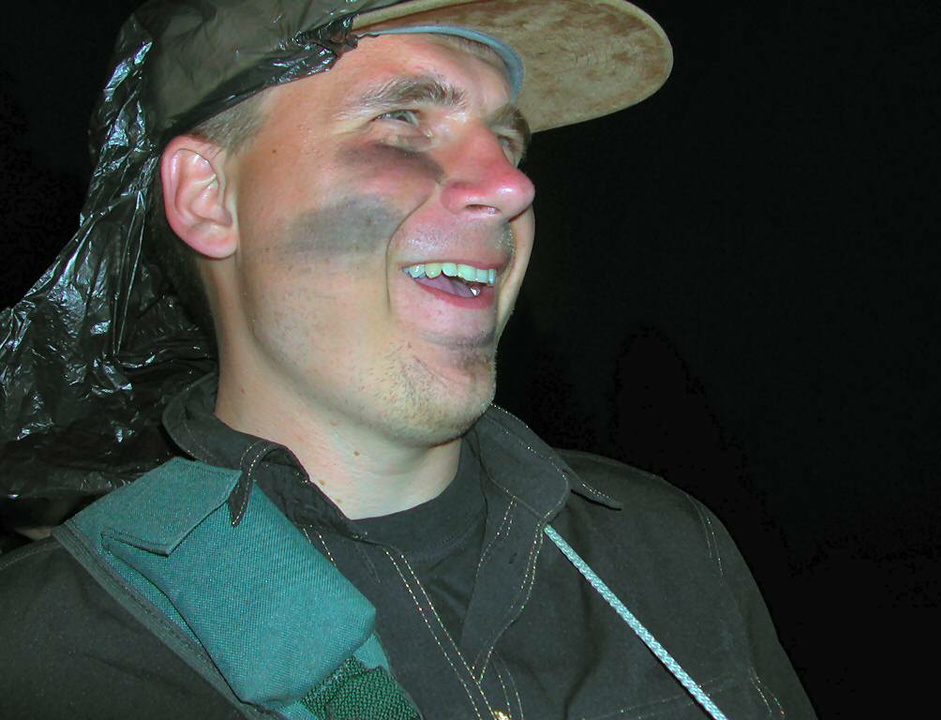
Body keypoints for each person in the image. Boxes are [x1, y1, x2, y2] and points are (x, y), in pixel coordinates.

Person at [0, 0, 817, 718]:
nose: (513, 187)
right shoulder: (44, 653)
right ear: (208, 197)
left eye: (506, 139)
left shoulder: (666, 551)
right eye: (402, 120)